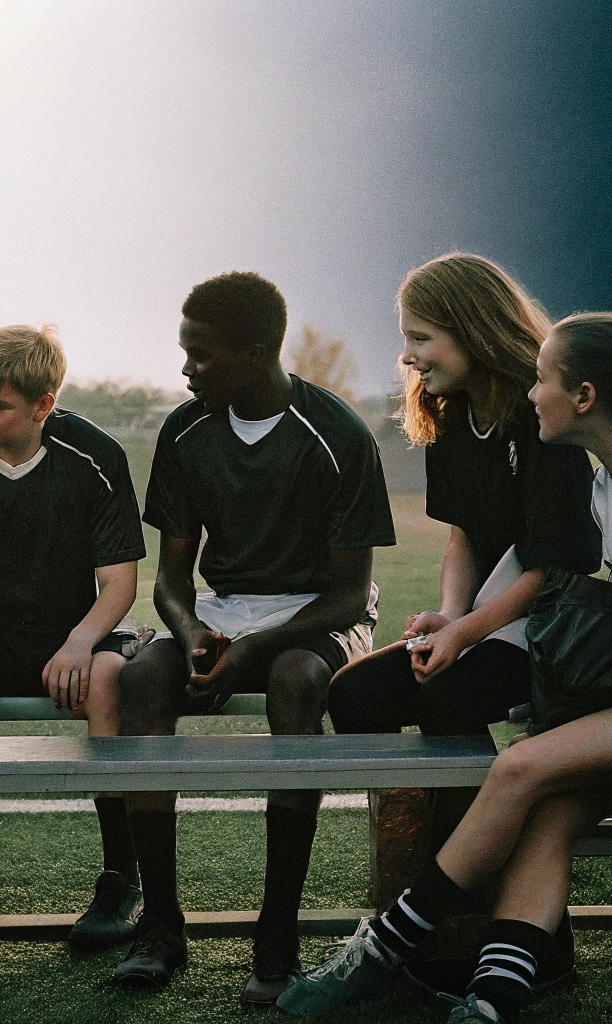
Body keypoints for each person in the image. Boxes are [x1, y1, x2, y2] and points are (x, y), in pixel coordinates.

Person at [279, 311, 612, 1022]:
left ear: (584, 397)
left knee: (518, 769)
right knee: (548, 819)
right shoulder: (608, 484)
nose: (530, 394)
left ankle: (379, 954)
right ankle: (493, 1003)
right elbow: (531, 558)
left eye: (543, 380)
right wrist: (458, 626)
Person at [108, 272, 397, 1002]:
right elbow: (171, 579)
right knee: (139, 677)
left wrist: (254, 649)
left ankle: (277, 937)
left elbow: (346, 594)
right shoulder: (185, 429)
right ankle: (161, 926)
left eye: (201, 355)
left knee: (295, 680)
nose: (185, 369)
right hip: (226, 610)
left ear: (259, 350)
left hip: (318, 617)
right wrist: (192, 631)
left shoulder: (337, 435)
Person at [326, 254, 600, 860]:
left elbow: (555, 569)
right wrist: (451, 617)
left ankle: (462, 876)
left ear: (473, 328)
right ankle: (409, 858)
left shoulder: (542, 419)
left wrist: (465, 633)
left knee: (447, 696)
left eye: (421, 337)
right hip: (489, 622)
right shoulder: (450, 418)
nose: (408, 355)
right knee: (355, 695)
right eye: (406, 338)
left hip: (555, 626)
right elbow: (463, 536)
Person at [0, 324, 147, 953]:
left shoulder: (95, 457)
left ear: (44, 405)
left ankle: (123, 876)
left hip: (66, 640)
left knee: (112, 678)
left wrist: (79, 643)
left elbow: (119, 583)